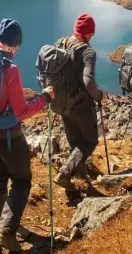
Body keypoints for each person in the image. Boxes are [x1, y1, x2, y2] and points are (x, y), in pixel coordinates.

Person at [0, 19, 54, 252]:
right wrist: (44, 98)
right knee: (21, 180)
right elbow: (21, 111)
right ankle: (7, 233)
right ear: (16, 44)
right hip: (7, 138)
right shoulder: (9, 69)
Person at [53, 13, 108, 190]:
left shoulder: (61, 43)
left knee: (75, 142)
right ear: (88, 32)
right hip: (80, 104)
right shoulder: (87, 51)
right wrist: (99, 96)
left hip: (62, 103)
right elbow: (88, 82)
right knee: (90, 140)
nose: (92, 35)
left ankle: (79, 176)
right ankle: (65, 173)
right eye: (92, 32)